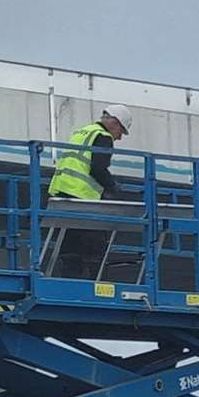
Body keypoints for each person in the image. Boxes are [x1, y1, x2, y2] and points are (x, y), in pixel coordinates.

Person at [47, 104, 132, 278]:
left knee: (69, 242)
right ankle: (97, 281)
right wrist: (112, 186)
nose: (119, 138)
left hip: (63, 191)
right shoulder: (103, 136)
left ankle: (69, 279)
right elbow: (98, 168)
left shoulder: (84, 131)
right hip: (80, 195)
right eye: (121, 132)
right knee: (94, 240)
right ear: (115, 123)